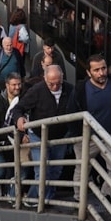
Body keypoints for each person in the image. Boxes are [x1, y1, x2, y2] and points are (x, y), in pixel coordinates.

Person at [67, 55, 111, 199]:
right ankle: (79, 199)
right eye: (96, 70)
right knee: (83, 169)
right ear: (89, 72)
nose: (101, 73)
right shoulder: (80, 89)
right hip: (86, 137)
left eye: (103, 68)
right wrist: (77, 136)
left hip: (110, 135)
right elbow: (71, 114)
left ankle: (104, 195)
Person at [12, 65, 74, 206]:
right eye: (51, 83)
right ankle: (40, 200)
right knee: (42, 170)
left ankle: (44, 197)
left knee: (56, 169)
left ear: (62, 78)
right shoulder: (37, 90)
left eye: (58, 83)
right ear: (45, 79)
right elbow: (18, 108)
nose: (55, 86)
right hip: (39, 134)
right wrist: (19, 119)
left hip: (60, 135)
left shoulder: (70, 90)